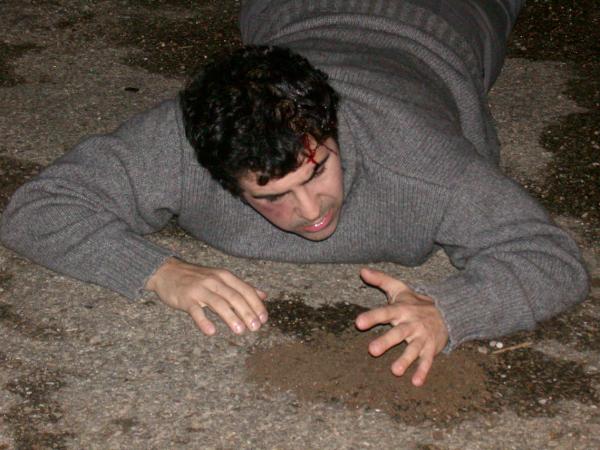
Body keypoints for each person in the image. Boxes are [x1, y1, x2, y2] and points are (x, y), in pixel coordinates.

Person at [0, 0, 589, 387]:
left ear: (334, 128)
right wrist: (158, 271)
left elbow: (549, 258)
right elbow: (39, 207)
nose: (310, 211)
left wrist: (453, 310)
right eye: (271, 195)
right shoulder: (182, 142)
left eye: (317, 172)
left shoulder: (420, 162)